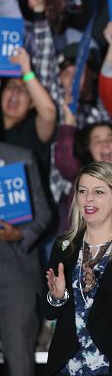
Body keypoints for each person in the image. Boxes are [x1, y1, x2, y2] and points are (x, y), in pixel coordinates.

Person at [43, 162, 112, 376]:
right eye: (83, 191)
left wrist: (97, 286)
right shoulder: (65, 245)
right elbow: (49, 312)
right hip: (68, 366)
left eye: (98, 192)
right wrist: (57, 296)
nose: (89, 199)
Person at [0, 142, 51, 376]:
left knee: (19, 350)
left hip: (15, 269)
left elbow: (43, 214)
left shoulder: (20, 157)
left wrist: (20, 234)